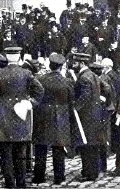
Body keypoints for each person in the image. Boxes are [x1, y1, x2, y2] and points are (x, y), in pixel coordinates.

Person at [0, 46, 44, 188]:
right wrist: (31, 103)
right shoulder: (26, 73)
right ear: (19, 57)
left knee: (6, 153)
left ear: (6, 56)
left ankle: (10, 183)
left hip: (3, 116)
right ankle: (21, 183)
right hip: (21, 115)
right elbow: (40, 90)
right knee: (21, 153)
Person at [32, 53, 74, 185]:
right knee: (59, 147)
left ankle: (38, 176)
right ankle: (59, 176)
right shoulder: (67, 82)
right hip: (60, 116)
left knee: (40, 147)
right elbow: (71, 101)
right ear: (61, 67)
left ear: (49, 65)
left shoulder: (40, 79)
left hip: (42, 116)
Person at [71, 52, 110, 181]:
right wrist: (101, 100)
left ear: (82, 63)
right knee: (93, 145)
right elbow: (107, 88)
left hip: (86, 117)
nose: (73, 64)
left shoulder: (83, 78)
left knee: (86, 146)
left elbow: (85, 96)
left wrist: (75, 108)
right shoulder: (93, 75)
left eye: (75, 63)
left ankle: (89, 173)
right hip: (95, 115)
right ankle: (92, 171)